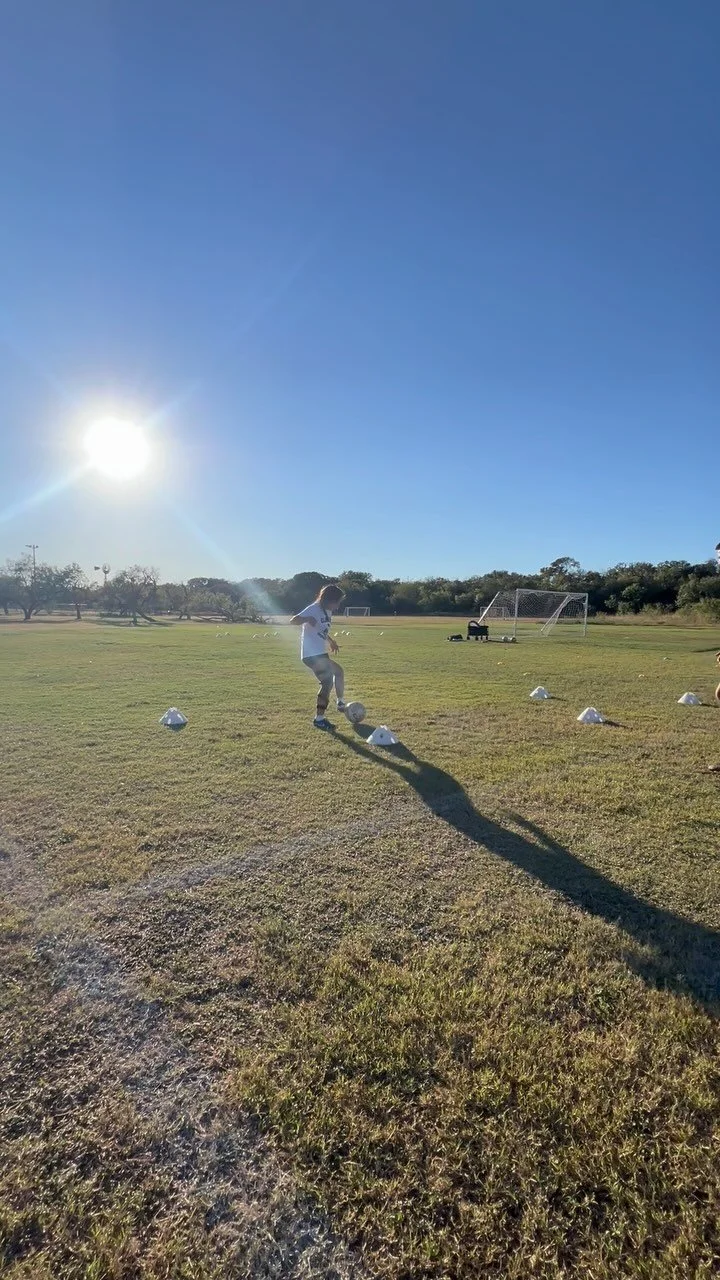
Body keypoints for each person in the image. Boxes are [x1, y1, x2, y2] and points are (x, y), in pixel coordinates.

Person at [290, 584, 346, 729]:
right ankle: (323, 716)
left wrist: (331, 641)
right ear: (329, 599)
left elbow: (321, 630)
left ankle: (337, 704)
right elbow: (293, 620)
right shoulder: (313, 609)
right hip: (311, 654)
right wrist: (307, 618)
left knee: (336, 674)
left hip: (320, 653)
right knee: (330, 680)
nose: (338, 605)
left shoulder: (328, 611)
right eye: (337, 602)